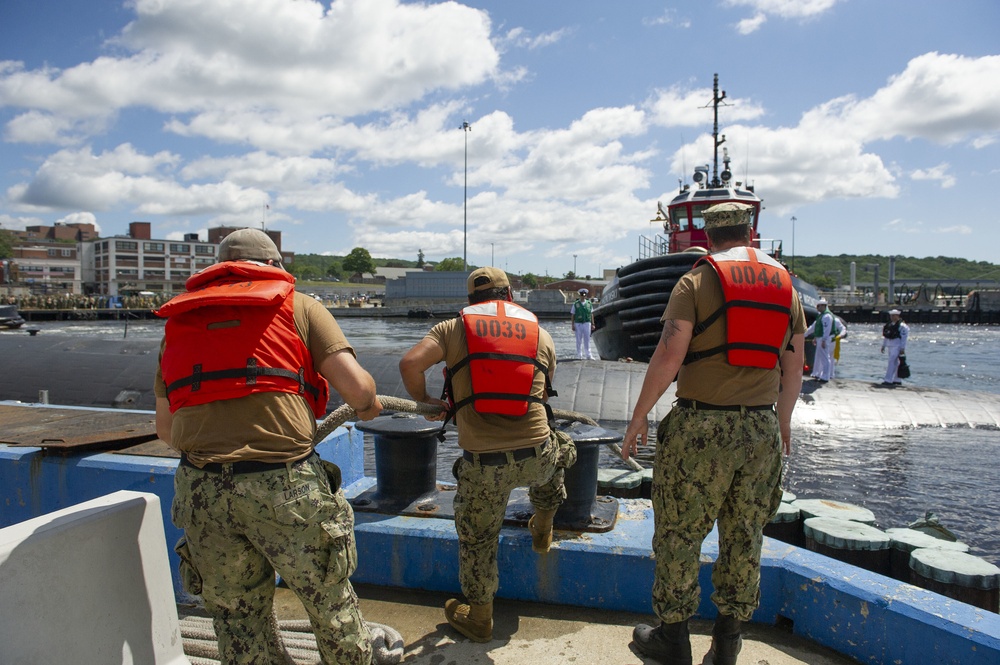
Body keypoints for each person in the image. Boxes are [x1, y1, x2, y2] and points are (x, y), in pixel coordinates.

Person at [154, 228, 383, 665]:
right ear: (276, 266)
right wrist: (368, 403)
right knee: (330, 606)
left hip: (202, 492)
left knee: (237, 620)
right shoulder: (300, 306)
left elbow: (166, 429)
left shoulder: (178, 324)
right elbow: (357, 388)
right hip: (287, 489)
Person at [620, 203, 806, 665]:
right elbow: (794, 366)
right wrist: (782, 421)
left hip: (700, 426)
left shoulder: (695, 281)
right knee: (745, 534)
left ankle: (673, 639)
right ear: (750, 232)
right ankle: (727, 645)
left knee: (680, 533)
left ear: (707, 235)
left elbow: (669, 355)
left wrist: (639, 415)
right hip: (760, 427)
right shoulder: (787, 288)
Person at [399, 266, 576, 643]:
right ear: (510, 296)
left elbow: (410, 363)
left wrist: (427, 401)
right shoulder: (540, 334)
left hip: (484, 465)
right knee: (560, 450)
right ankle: (543, 526)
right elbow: (542, 395)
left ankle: (479, 618)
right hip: (535, 457)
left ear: (469, 302)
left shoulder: (452, 328)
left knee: (479, 538)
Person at [805, 299, 834, 382]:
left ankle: (825, 376)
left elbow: (826, 329)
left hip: (823, 339)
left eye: (818, 306)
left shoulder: (826, 316)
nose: (817, 308)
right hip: (819, 338)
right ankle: (817, 373)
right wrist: (810, 336)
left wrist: (824, 340)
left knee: (825, 357)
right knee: (818, 357)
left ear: (823, 306)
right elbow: (814, 327)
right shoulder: (821, 316)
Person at [881, 308, 910, 385]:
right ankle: (897, 380)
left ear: (898, 316)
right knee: (896, 363)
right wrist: (884, 345)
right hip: (890, 346)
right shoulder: (889, 325)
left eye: (894, 316)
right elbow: (886, 336)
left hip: (897, 346)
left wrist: (902, 348)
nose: (892, 317)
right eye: (891, 316)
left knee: (892, 362)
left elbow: (904, 338)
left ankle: (888, 379)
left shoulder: (902, 326)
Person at [570, 287, 596, 359]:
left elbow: (591, 314)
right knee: (579, 339)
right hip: (578, 323)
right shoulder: (576, 304)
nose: (583, 296)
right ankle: (579, 354)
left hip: (587, 323)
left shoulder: (589, 303)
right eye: (582, 295)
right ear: (580, 295)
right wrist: (572, 324)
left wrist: (593, 324)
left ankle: (588, 354)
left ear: (586, 295)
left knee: (587, 339)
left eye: (584, 295)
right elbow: (573, 314)